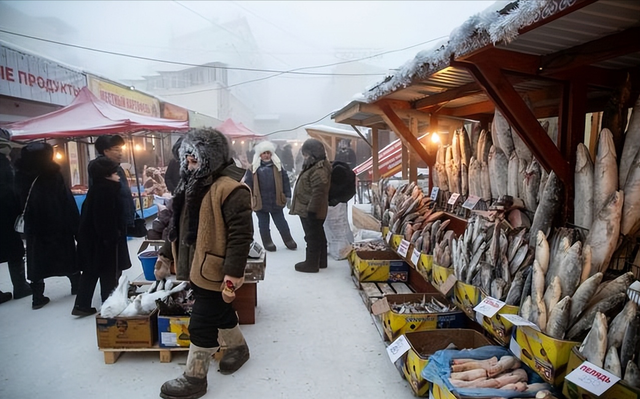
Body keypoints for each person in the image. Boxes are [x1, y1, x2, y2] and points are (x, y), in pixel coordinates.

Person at [155, 128, 254, 399]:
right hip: (194, 266)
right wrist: (165, 254)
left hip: (215, 269)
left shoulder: (232, 190)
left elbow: (241, 236)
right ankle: (237, 349)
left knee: (201, 322)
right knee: (219, 312)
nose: (188, 164)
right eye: (186, 158)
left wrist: (232, 274)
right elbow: (176, 225)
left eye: (195, 159)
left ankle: (195, 378)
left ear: (210, 158)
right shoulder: (190, 185)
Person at [14, 142, 80, 309]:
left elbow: (17, 200)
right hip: (58, 226)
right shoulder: (54, 175)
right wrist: (76, 226)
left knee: (37, 262)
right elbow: (67, 201)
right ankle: (76, 286)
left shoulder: (21, 176)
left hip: (35, 229)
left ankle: (37, 297)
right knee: (67, 258)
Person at [71, 157, 127, 317]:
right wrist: (112, 237)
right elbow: (105, 219)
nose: (118, 175)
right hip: (101, 241)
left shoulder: (97, 189)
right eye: (114, 172)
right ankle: (109, 307)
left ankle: (82, 305)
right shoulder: (106, 191)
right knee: (108, 273)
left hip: (90, 240)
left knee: (90, 272)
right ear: (106, 175)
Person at [89, 135, 133, 272]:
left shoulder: (114, 167)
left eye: (121, 149)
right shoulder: (102, 169)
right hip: (112, 224)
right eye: (116, 149)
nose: (121, 153)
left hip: (118, 222)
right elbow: (108, 200)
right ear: (105, 151)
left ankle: (114, 287)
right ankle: (112, 291)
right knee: (111, 263)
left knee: (115, 262)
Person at [243, 141, 297, 252]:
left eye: (268, 153)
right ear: (259, 155)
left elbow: (285, 182)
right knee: (263, 225)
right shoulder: (253, 169)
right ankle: (268, 242)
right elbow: (248, 185)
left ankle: (288, 240)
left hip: (276, 200)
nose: (266, 155)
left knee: (281, 223)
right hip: (260, 202)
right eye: (264, 153)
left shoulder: (278, 167)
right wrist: (248, 199)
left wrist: (287, 196)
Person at [289, 138, 331, 273]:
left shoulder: (318, 169)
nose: (304, 157)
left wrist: (312, 212)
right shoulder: (314, 166)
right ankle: (321, 261)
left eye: (306, 155)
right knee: (318, 234)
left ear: (313, 154)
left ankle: (312, 263)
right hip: (310, 208)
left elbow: (318, 193)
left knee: (312, 236)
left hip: (311, 210)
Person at [0, 129, 31, 304]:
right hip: (6, 216)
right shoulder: (4, 165)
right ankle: (20, 286)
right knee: (14, 251)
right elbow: (10, 191)